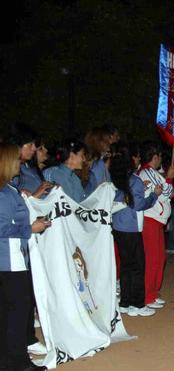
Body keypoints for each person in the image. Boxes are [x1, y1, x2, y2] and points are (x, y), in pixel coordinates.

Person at [0, 143, 50, 371]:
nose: (21, 163)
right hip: (9, 262)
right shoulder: (3, 193)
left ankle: (11, 360)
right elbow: (2, 228)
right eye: (17, 160)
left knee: (11, 313)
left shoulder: (9, 189)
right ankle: (18, 363)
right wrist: (31, 228)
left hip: (12, 259)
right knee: (18, 313)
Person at [111, 152, 161, 317]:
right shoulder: (134, 180)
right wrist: (154, 195)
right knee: (138, 266)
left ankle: (125, 302)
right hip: (131, 227)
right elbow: (138, 205)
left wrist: (141, 189)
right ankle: (137, 304)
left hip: (118, 226)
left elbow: (127, 198)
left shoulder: (114, 180)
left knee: (126, 265)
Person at [137, 141, 174, 309]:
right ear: (155, 157)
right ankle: (146, 296)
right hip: (150, 221)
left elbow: (170, 192)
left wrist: (167, 181)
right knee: (152, 259)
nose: (161, 159)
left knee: (159, 258)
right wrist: (169, 177)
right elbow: (165, 192)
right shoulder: (147, 172)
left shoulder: (152, 172)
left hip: (156, 221)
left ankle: (152, 293)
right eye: (159, 156)